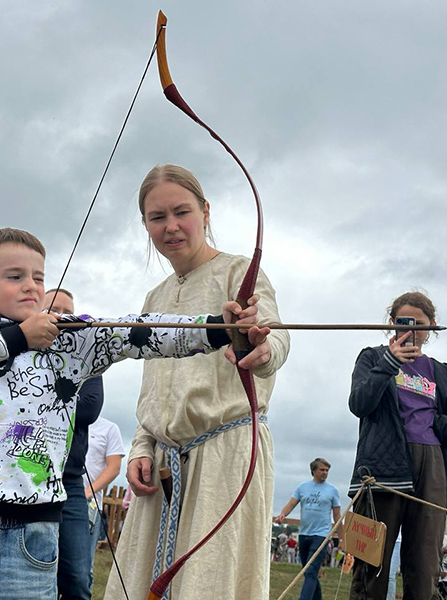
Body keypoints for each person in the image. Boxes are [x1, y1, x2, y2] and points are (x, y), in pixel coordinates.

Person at [0, 227, 272, 599]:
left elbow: (143, 334)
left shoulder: (70, 338)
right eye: (14, 276)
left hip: (31, 535)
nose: (30, 287)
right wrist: (20, 336)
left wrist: (219, 328)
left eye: (38, 277)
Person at [105, 164, 290, 600]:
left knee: (211, 585)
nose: (170, 226)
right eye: (157, 217)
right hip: (163, 467)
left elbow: (275, 336)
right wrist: (141, 447)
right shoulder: (155, 298)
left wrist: (260, 348)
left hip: (224, 458)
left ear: (205, 212)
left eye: (181, 212)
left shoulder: (238, 272)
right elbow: (153, 390)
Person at [347, 291, 447, 600]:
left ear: (432, 327)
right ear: (392, 324)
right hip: (382, 466)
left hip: (432, 465)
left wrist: (443, 426)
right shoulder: (372, 357)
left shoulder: (443, 373)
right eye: (402, 322)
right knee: (372, 562)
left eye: (419, 324)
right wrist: (388, 363)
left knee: (425, 564)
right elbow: (359, 403)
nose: (410, 331)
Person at [44, 287, 104, 600]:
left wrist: (38, 400)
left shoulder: (85, 355)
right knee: (35, 575)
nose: (61, 315)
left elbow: (90, 407)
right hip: (31, 476)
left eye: (68, 310)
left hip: (70, 481)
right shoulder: (25, 350)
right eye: (53, 308)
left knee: (77, 577)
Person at [276, 458, 342, 600]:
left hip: (321, 536)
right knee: (308, 572)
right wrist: (282, 514)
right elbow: (291, 504)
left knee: (311, 571)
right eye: (322, 470)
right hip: (304, 534)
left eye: (327, 470)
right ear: (313, 471)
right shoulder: (302, 487)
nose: (325, 473)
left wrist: (341, 538)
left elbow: (337, 516)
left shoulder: (333, 490)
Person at [83, 416, 125, 585]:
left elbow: (114, 467)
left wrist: (86, 492)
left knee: (82, 568)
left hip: (88, 505)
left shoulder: (108, 428)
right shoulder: (60, 418)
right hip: (55, 501)